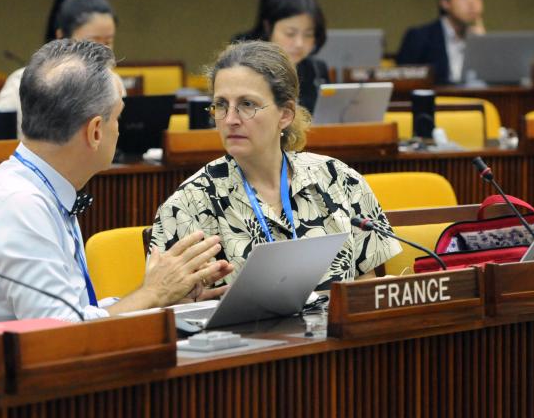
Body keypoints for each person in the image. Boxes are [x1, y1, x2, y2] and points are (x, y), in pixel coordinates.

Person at [0, 40, 232, 335]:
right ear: (94, 132)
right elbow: (59, 335)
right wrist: (151, 294)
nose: (119, 128)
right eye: (117, 117)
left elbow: (74, 313)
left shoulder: (41, 184)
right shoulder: (20, 205)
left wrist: (160, 299)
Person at [150, 41, 401, 290]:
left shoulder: (340, 179)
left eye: (247, 104)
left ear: (286, 114)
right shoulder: (186, 205)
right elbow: (172, 310)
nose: (231, 119)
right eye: (221, 105)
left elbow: (364, 290)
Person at [0, 0, 118, 140]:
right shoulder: (20, 84)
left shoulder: (113, 83)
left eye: (108, 42)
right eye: (93, 41)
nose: (101, 50)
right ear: (61, 36)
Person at [233, 0, 329, 113]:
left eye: (308, 34)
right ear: (268, 28)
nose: (299, 43)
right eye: (290, 33)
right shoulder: (245, 69)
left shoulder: (317, 70)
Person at [396, 0, 486, 85]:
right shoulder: (419, 37)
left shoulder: (481, 39)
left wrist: (481, 45)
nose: (472, 1)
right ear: (445, 2)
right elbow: (402, 84)